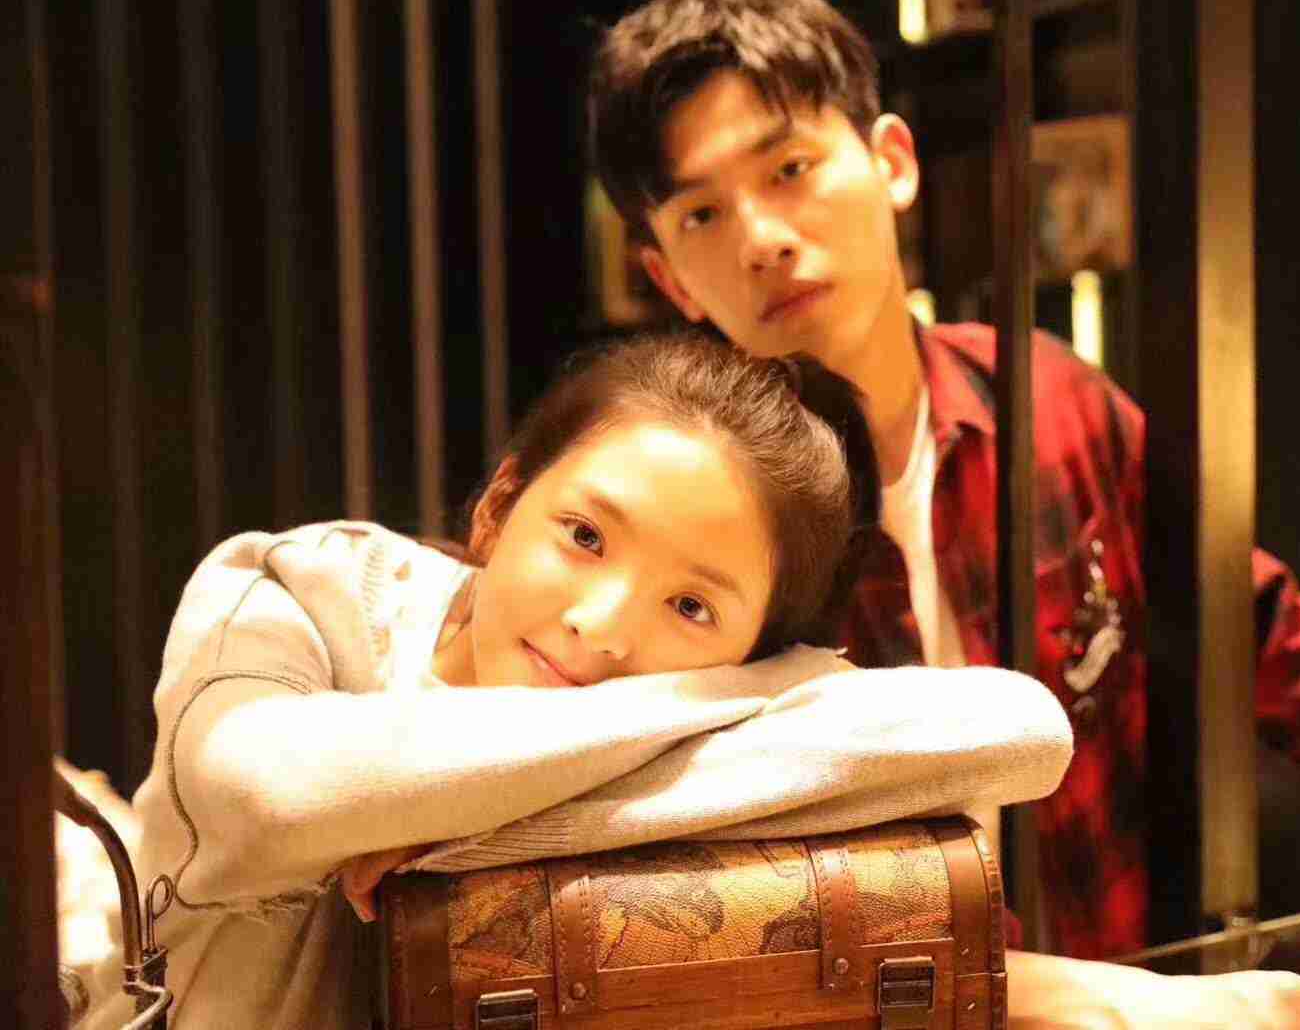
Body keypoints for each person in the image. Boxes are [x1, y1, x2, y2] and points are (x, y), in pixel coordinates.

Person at [587, 0, 1300, 1025]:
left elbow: (1259, 628)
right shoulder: (688, 527)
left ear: (891, 161)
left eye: (791, 168)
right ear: (669, 278)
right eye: (702, 213)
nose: (760, 236)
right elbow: (685, 892)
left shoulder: (1049, 402)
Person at [80, 332, 1076, 1030]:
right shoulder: (292, 589)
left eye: (692, 608)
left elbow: (1021, 732)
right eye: (586, 537)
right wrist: (723, 710)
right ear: (500, 505)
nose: (603, 629)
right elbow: (269, 795)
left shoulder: (728, 690)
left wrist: (486, 824)